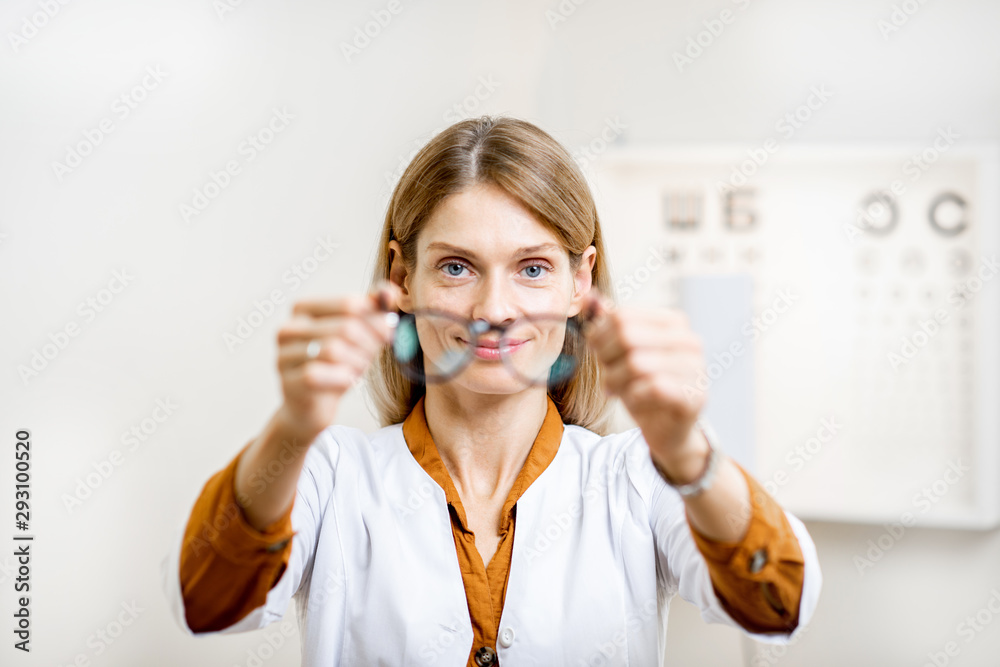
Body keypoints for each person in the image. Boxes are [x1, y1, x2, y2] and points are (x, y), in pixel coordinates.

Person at [162, 115, 821, 666]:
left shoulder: (636, 479)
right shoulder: (332, 474)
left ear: (579, 282)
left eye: (532, 268)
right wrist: (293, 426)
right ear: (402, 275)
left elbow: (779, 602)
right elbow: (207, 599)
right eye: (456, 266)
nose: (494, 308)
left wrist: (685, 451)